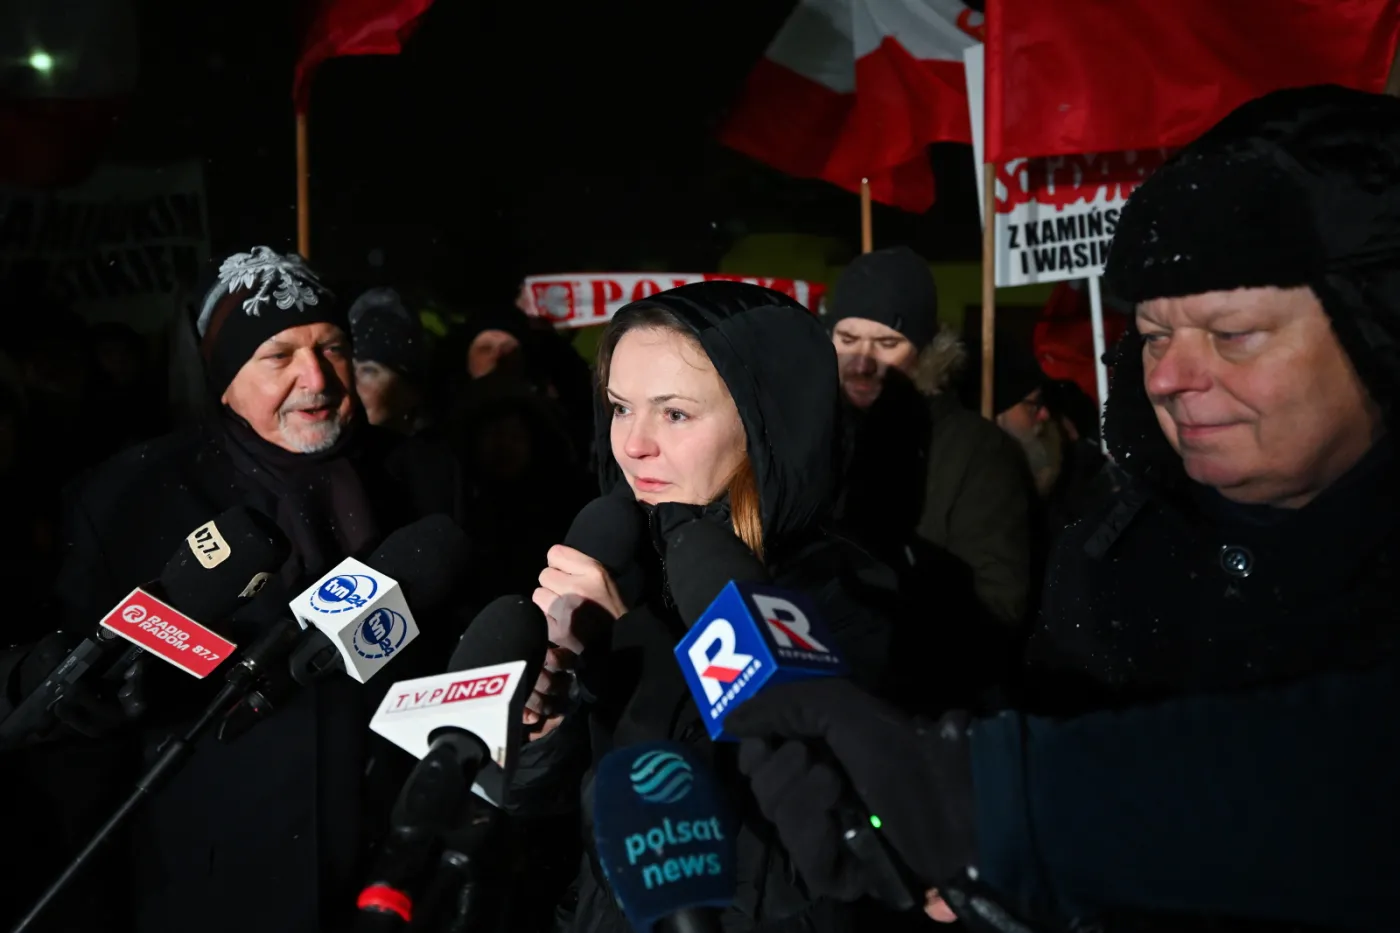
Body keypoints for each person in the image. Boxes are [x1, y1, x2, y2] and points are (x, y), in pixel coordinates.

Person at [731, 84, 1400, 933]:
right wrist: (955, 862)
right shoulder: (1113, 558)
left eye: (1233, 334)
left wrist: (997, 802)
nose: (1166, 376)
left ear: (1379, 327)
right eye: (1153, 335)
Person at [33, 246, 466, 933]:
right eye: (279, 355)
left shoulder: (422, 480)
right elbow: (81, 736)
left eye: (332, 346)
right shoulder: (133, 496)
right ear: (225, 375)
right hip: (211, 883)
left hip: (389, 879)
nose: (315, 377)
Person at [513, 281, 899, 933]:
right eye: (619, 407)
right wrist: (545, 721)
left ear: (764, 423)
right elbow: (554, 822)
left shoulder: (844, 596)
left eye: (674, 414)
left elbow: (801, 874)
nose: (633, 444)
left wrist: (635, 659)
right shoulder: (624, 562)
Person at [828, 246, 1033, 631]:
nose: (861, 362)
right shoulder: (811, 431)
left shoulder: (978, 450)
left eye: (887, 344)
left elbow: (1000, 606)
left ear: (926, 352)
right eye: (848, 338)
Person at [348, 286, 432, 434]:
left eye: (368, 370)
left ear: (408, 390)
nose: (351, 383)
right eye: (350, 368)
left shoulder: (437, 454)